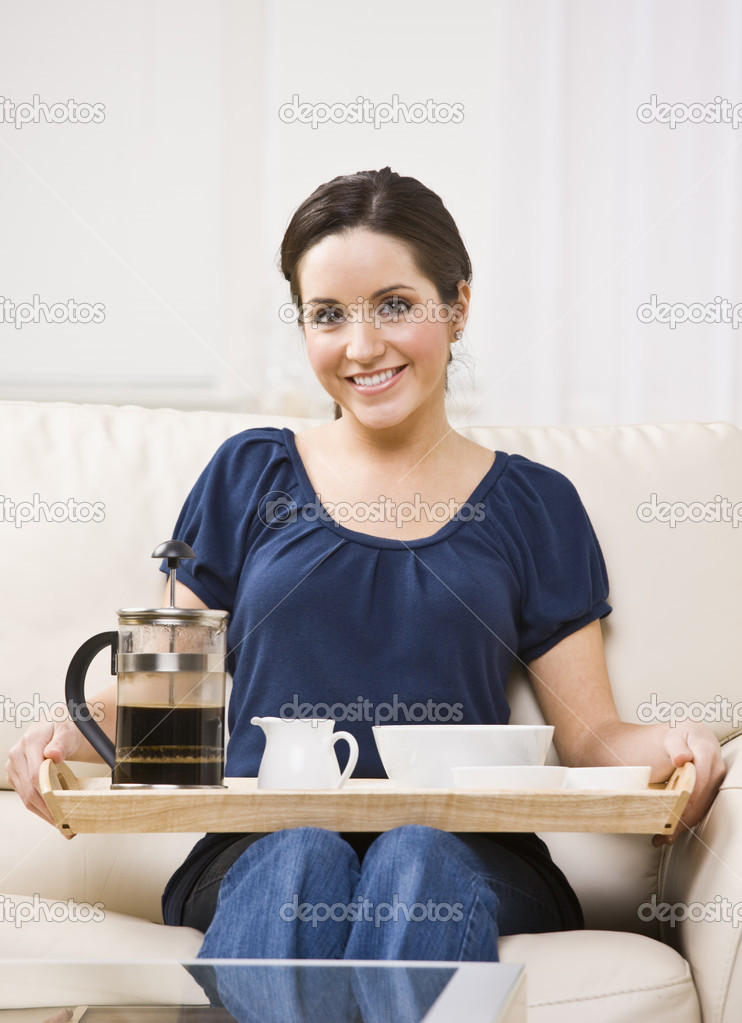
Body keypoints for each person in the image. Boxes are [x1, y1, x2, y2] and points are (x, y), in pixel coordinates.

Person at [7, 168, 726, 973]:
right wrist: (55, 735)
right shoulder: (247, 475)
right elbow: (165, 702)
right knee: (301, 855)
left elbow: (592, 732)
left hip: (470, 855)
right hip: (256, 849)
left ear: (456, 305)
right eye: (328, 315)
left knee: (412, 858)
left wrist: (677, 743)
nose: (362, 345)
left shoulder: (535, 503)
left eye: (394, 304)